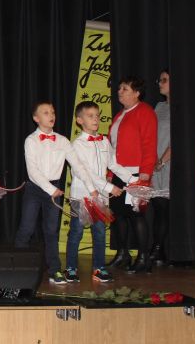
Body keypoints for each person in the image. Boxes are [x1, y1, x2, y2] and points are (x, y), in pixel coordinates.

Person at [14, 101, 98, 285]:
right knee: (26, 228)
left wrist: (91, 188)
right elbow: (33, 172)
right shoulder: (31, 140)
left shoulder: (62, 140)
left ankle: (54, 270)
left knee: (51, 231)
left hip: (54, 187)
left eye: (52, 112)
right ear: (36, 118)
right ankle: (19, 268)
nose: (51, 115)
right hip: (35, 188)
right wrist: (52, 190)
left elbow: (78, 165)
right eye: (45, 113)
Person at [66, 101, 136, 283]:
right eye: (90, 116)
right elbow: (85, 172)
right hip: (82, 196)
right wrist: (109, 187)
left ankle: (99, 269)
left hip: (101, 199)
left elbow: (113, 165)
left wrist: (132, 180)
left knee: (100, 233)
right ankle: (71, 268)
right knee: (76, 232)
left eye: (97, 115)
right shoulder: (77, 145)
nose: (95, 119)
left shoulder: (104, 141)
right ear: (79, 120)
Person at [107, 76, 158, 273]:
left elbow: (149, 144)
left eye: (125, 89)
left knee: (136, 215)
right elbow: (112, 148)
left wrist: (145, 174)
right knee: (118, 214)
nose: (119, 91)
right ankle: (123, 254)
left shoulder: (145, 112)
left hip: (136, 173)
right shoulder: (119, 115)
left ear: (137, 93)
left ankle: (144, 258)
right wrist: (110, 173)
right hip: (118, 173)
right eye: (119, 88)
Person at [150, 69, 171, 265]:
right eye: (160, 79)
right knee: (157, 206)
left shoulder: (180, 108)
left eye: (164, 80)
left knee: (164, 207)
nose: (160, 83)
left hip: (169, 164)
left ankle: (160, 249)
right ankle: (159, 249)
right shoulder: (159, 106)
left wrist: (163, 160)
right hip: (155, 163)